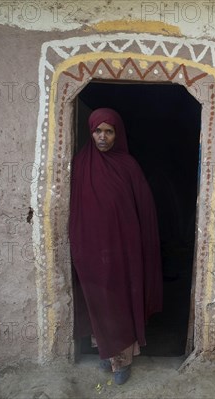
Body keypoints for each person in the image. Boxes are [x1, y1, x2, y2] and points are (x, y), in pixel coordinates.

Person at [69, 108, 163, 385]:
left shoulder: (128, 166)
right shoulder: (81, 163)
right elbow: (74, 208)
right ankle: (105, 352)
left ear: (117, 134)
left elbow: (142, 210)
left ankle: (121, 360)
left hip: (123, 249)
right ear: (91, 132)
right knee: (99, 299)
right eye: (98, 131)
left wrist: (138, 246)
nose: (102, 137)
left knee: (121, 300)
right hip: (91, 249)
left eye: (109, 131)